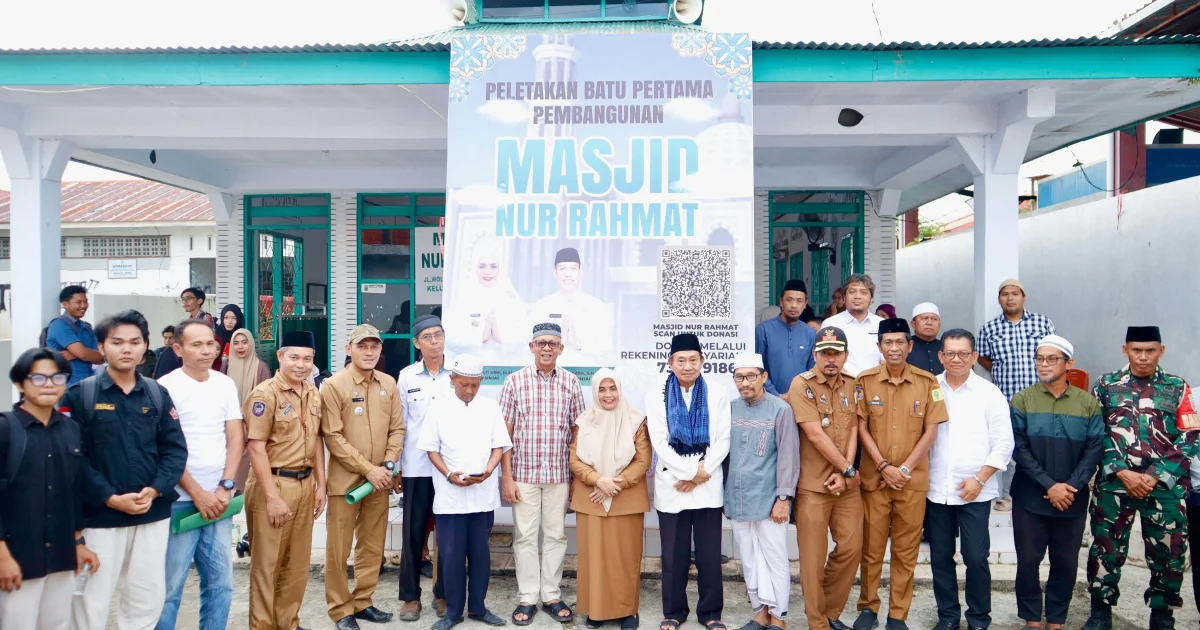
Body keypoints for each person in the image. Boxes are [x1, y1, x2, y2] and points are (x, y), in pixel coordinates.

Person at [63, 309, 188, 630]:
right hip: (100, 519)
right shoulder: (81, 395)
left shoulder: (157, 394)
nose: (126, 349)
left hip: (151, 514)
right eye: (117, 342)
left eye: (134, 342)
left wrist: (155, 489)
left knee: (146, 599)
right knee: (90, 601)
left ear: (145, 346)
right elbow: (74, 459)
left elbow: (175, 450)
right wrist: (109, 497)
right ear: (101, 346)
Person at [1082, 326, 1197, 630]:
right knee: (1105, 548)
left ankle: (1162, 615)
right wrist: (1122, 471)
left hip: (1164, 488)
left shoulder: (1178, 387)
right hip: (1115, 483)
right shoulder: (1106, 385)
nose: (1143, 357)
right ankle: (1100, 613)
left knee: (1169, 552)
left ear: (1161, 351)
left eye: (1150, 351)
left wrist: (1155, 476)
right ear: (1126, 350)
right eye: (1137, 350)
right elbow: (1095, 432)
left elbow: (1190, 435)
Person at [853, 318, 947, 630]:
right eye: (888, 342)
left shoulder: (927, 382)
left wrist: (903, 469)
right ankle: (868, 607)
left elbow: (931, 431)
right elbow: (861, 427)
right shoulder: (864, 381)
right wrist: (883, 466)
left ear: (910, 346)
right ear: (879, 347)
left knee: (906, 552)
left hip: (911, 482)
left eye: (899, 342)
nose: (894, 348)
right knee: (871, 548)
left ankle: (897, 615)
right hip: (875, 481)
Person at [0, 348, 100, 629]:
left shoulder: (70, 429)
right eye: (38, 378)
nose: (49, 385)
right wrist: (2, 557)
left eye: (57, 378)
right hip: (18, 558)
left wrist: (78, 543)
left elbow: (73, 491)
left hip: (61, 556)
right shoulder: (6, 429)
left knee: (57, 624)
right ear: (20, 383)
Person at [1009, 335, 1103, 630]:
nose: (1044, 364)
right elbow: (1019, 448)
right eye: (1039, 359)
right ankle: (1032, 619)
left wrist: (1070, 486)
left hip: (1072, 498)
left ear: (1068, 363)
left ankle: (1056, 620)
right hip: (1030, 497)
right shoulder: (1022, 399)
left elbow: (1094, 449)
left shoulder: (1087, 403)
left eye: (1051, 359)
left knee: (1065, 562)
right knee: (1028, 561)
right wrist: (1050, 485)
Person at [155, 320, 244, 630]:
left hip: (220, 500)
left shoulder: (224, 383)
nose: (207, 350)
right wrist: (197, 493)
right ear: (178, 349)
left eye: (210, 344)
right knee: (170, 586)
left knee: (221, 584)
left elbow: (235, 436)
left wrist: (226, 485)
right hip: (180, 500)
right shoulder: (165, 387)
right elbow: (165, 447)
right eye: (197, 345)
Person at [499, 322, 586, 625]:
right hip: (523, 474)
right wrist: (506, 477)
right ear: (531, 347)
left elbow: (578, 433)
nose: (546, 348)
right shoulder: (514, 381)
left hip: (559, 474)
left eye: (552, 343)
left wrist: (575, 478)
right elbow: (504, 435)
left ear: (561, 348)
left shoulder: (571, 382)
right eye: (541, 343)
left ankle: (550, 594)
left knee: (556, 536)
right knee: (524, 537)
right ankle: (527, 597)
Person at [926, 329, 1014, 630]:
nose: (956, 359)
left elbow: (1004, 443)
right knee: (940, 556)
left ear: (974, 356)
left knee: (975, 556)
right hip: (936, 489)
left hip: (975, 490)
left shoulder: (989, 393)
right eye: (950, 353)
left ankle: (978, 618)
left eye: (963, 353)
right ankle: (948, 617)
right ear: (941, 356)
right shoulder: (929, 387)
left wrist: (980, 478)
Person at [417, 355, 512, 630]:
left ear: (481, 382)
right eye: (464, 384)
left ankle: (478, 608)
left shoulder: (490, 407)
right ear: (452, 379)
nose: (469, 390)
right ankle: (453, 612)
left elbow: (499, 445)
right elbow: (431, 449)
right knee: (452, 556)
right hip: (450, 498)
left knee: (481, 556)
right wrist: (449, 474)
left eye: (475, 385)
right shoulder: (438, 407)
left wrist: (489, 471)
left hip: (482, 496)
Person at [321, 324, 406, 629]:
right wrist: (368, 469)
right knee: (338, 549)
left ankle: (363, 601)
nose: (369, 352)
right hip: (345, 483)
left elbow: (397, 428)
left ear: (380, 350)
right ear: (349, 349)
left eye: (374, 347)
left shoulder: (388, 383)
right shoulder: (334, 386)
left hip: (379, 481)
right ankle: (340, 609)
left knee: (372, 545)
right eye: (362, 346)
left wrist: (388, 463)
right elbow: (333, 436)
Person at [646, 333, 732, 630]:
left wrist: (700, 474)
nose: (687, 366)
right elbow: (659, 441)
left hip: (707, 483)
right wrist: (689, 473)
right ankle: (674, 612)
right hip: (673, 485)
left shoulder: (717, 391)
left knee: (709, 555)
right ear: (670, 363)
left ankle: (710, 613)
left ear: (702, 361)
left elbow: (723, 438)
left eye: (693, 360)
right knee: (673, 555)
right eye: (680, 360)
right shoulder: (656, 393)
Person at [244, 330, 328, 630]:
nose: (301, 365)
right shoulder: (265, 394)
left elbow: (315, 440)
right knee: (267, 565)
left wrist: (321, 484)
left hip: (305, 485)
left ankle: (287, 622)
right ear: (280, 356)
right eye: (294, 357)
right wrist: (271, 498)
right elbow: (255, 447)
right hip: (274, 484)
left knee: (297, 564)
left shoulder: (312, 392)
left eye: (307, 359)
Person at [789, 327, 862, 630]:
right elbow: (815, 435)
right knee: (812, 560)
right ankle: (817, 623)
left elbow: (854, 428)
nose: (831, 359)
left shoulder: (853, 384)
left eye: (837, 353)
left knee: (851, 549)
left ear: (845, 355)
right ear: (815, 355)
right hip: (813, 486)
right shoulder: (801, 384)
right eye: (825, 353)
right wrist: (847, 469)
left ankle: (830, 612)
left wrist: (846, 471)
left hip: (846, 485)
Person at [570, 368, 651, 630]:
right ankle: (597, 609)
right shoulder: (583, 422)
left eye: (612, 388)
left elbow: (643, 460)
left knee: (625, 558)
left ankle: (628, 611)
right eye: (602, 389)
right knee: (594, 558)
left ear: (620, 389)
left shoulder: (636, 420)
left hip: (626, 498)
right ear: (595, 392)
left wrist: (613, 484)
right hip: (591, 498)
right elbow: (574, 459)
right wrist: (597, 479)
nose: (608, 394)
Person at [727, 353, 800, 630]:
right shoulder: (731, 409)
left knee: (775, 557)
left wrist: (783, 498)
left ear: (764, 377)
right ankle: (760, 612)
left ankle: (778, 617)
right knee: (749, 557)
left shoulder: (780, 409)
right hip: (738, 497)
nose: (745, 383)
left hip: (770, 499)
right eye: (739, 377)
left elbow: (788, 456)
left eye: (751, 376)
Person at [976, 279, 1055, 511]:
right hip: (1007, 399)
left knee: (1042, 445)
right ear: (999, 299)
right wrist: (1001, 369)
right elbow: (983, 357)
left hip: (1040, 398)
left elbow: (1053, 354)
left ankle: (1044, 490)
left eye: (1015, 293)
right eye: (1005, 294)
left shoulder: (1042, 323)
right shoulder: (989, 329)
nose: (1010, 298)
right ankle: (1008, 496)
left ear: (1024, 297)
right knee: (1010, 448)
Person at [397, 315, 452, 621]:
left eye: (438, 335)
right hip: (416, 467)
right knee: (413, 534)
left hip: (448, 468)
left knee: (446, 534)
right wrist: (396, 466)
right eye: (427, 337)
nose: (434, 341)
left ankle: (442, 593)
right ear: (416, 343)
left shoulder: (456, 373)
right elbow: (400, 424)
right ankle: (410, 597)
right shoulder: (407, 377)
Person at [445, 240, 528, 365]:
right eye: (482, 266)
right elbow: (449, 339)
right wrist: (480, 338)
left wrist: (502, 338)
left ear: (500, 269)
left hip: (504, 368)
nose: (488, 272)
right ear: (475, 269)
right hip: (470, 370)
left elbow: (526, 337)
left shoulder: (511, 299)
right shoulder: (464, 299)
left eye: (493, 266)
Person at [529, 247, 614, 366]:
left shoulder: (596, 306)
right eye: (562, 268)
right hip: (550, 374)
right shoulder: (542, 306)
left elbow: (606, 347)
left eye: (573, 268)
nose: (568, 274)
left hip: (586, 373)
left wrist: (578, 343)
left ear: (581, 272)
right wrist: (555, 343)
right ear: (555, 273)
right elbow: (530, 348)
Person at [222, 328, 272, 489]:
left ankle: (244, 490)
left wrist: (247, 411)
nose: (240, 347)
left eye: (244, 342)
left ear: (251, 344)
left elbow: (267, 398)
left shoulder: (261, 367)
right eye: (236, 343)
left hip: (252, 424)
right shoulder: (226, 366)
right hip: (228, 422)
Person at [754, 279, 816, 398]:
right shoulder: (764, 330)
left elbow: (812, 370)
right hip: (770, 399)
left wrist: (799, 394)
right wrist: (776, 396)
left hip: (801, 399)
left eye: (799, 301)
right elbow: (759, 367)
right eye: (789, 300)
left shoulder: (810, 333)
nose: (794, 305)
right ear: (781, 301)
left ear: (805, 304)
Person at [821, 275, 883, 378]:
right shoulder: (831, 324)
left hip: (875, 383)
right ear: (844, 298)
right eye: (852, 292)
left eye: (863, 292)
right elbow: (825, 358)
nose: (857, 296)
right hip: (841, 382)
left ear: (871, 298)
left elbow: (886, 359)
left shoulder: (881, 324)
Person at [45, 285, 103, 385]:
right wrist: (82, 354)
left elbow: (101, 358)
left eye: (85, 302)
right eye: (78, 302)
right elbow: (82, 353)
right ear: (65, 304)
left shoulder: (87, 327)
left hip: (88, 384)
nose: (83, 306)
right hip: (67, 386)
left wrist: (75, 354)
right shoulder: (59, 325)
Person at [907, 303, 943, 376]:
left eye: (934, 319)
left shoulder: (945, 347)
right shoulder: (905, 346)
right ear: (913, 324)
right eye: (924, 318)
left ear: (939, 325)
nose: (929, 323)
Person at [215, 304, 246, 369]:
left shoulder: (244, 335)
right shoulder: (216, 336)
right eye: (226, 318)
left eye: (234, 318)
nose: (229, 322)